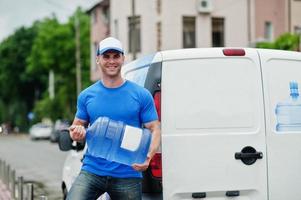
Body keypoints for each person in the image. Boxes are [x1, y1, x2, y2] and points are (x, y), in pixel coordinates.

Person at [66, 37, 161, 200]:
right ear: (98, 59)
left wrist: (148, 157)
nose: (112, 61)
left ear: (123, 58)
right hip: (92, 170)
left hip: (128, 173)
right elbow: (75, 128)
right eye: (106, 56)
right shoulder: (87, 95)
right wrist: (76, 133)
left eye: (116, 56)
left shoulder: (140, 95)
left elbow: (155, 128)